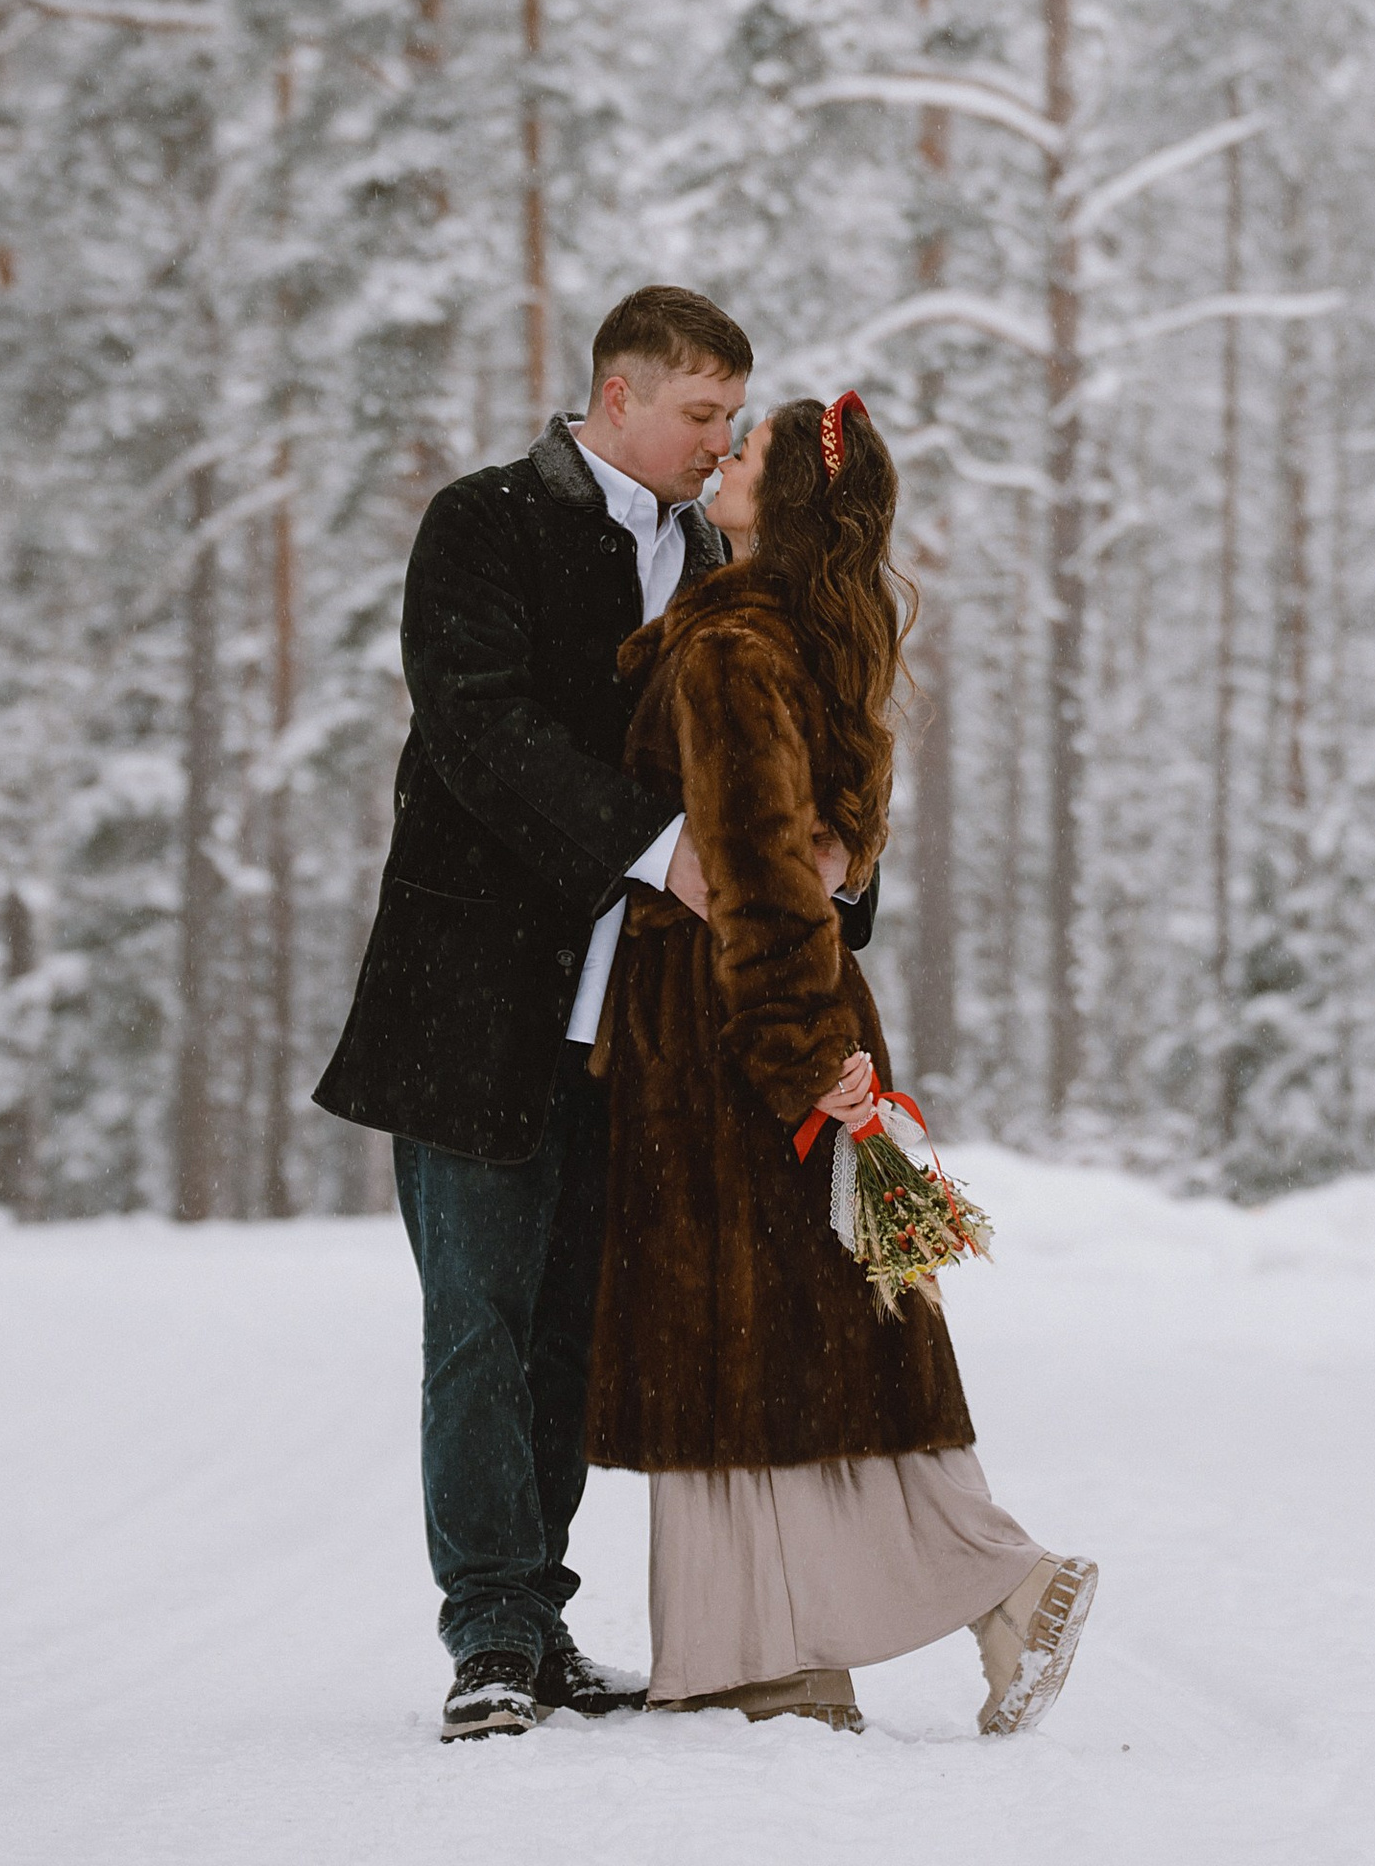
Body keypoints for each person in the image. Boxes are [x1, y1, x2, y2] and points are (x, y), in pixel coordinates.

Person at [313, 284, 878, 1743]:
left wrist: (830, 868)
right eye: (702, 416)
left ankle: (545, 1622)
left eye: (733, 421)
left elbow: (773, 751)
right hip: (470, 1004)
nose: (721, 442)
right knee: (479, 1329)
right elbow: (477, 725)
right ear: (619, 397)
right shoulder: (484, 522)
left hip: (635, 1032)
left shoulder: (711, 557)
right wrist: (661, 848)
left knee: (573, 1333)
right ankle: (490, 1634)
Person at [587, 389, 1095, 1738]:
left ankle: (957, 1595)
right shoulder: (804, 637)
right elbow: (820, 854)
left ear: (787, 500)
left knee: (746, 1336)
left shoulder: (735, 644)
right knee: (806, 1339)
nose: (725, 457)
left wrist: (799, 1053)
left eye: (746, 450)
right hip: (783, 1014)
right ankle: (798, 1646)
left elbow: (758, 863)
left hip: (730, 1030)